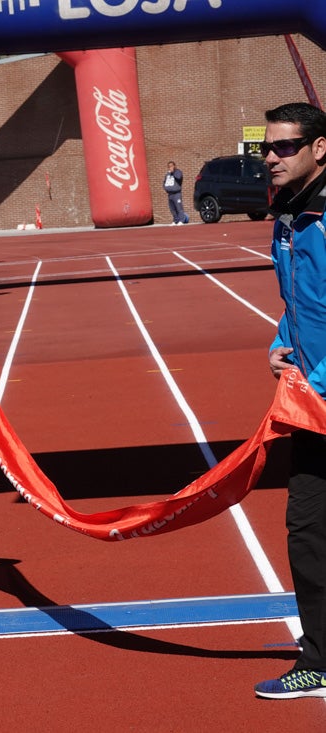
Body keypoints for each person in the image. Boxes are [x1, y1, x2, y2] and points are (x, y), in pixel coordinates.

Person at [256, 102, 326, 700]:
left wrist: (317, 382)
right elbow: (300, 304)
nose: (272, 158)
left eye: (285, 147)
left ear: (319, 149)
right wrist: (283, 344)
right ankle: (320, 659)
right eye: (268, 148)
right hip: (315, 404)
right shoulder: (290, 216)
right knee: (307, 528)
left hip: (322, 397)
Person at [163, 161, 190, 225]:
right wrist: (165, 188)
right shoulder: (167, 174)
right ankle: (175, 220)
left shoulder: (178, 172)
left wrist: (173, 172)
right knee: (172, 209)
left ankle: (181, 220)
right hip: (170, 194)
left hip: (176, 194)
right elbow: (164, 182)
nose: (170, 168)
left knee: (179, 207)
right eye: (169, 166)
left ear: (174, 166)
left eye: (171, 166)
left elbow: (179, 178)